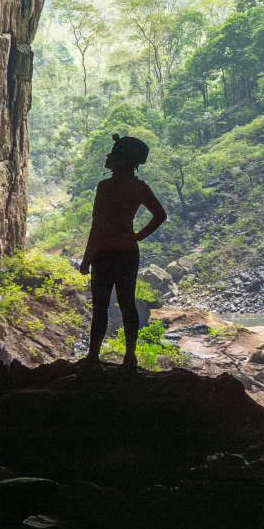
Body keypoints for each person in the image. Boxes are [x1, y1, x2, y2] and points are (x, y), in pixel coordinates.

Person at [78, 134, 167, 368]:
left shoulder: (105, 187)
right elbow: (160, 215)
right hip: (127, 252)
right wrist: (134, 237)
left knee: (100, 306)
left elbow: (96, 226)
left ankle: (93, 357)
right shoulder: (138, 188)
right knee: (127, 303)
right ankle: (130, 357)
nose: (109, 155)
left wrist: (87, 258)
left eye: (114, 151)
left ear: (122, 159)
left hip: (103, 254)